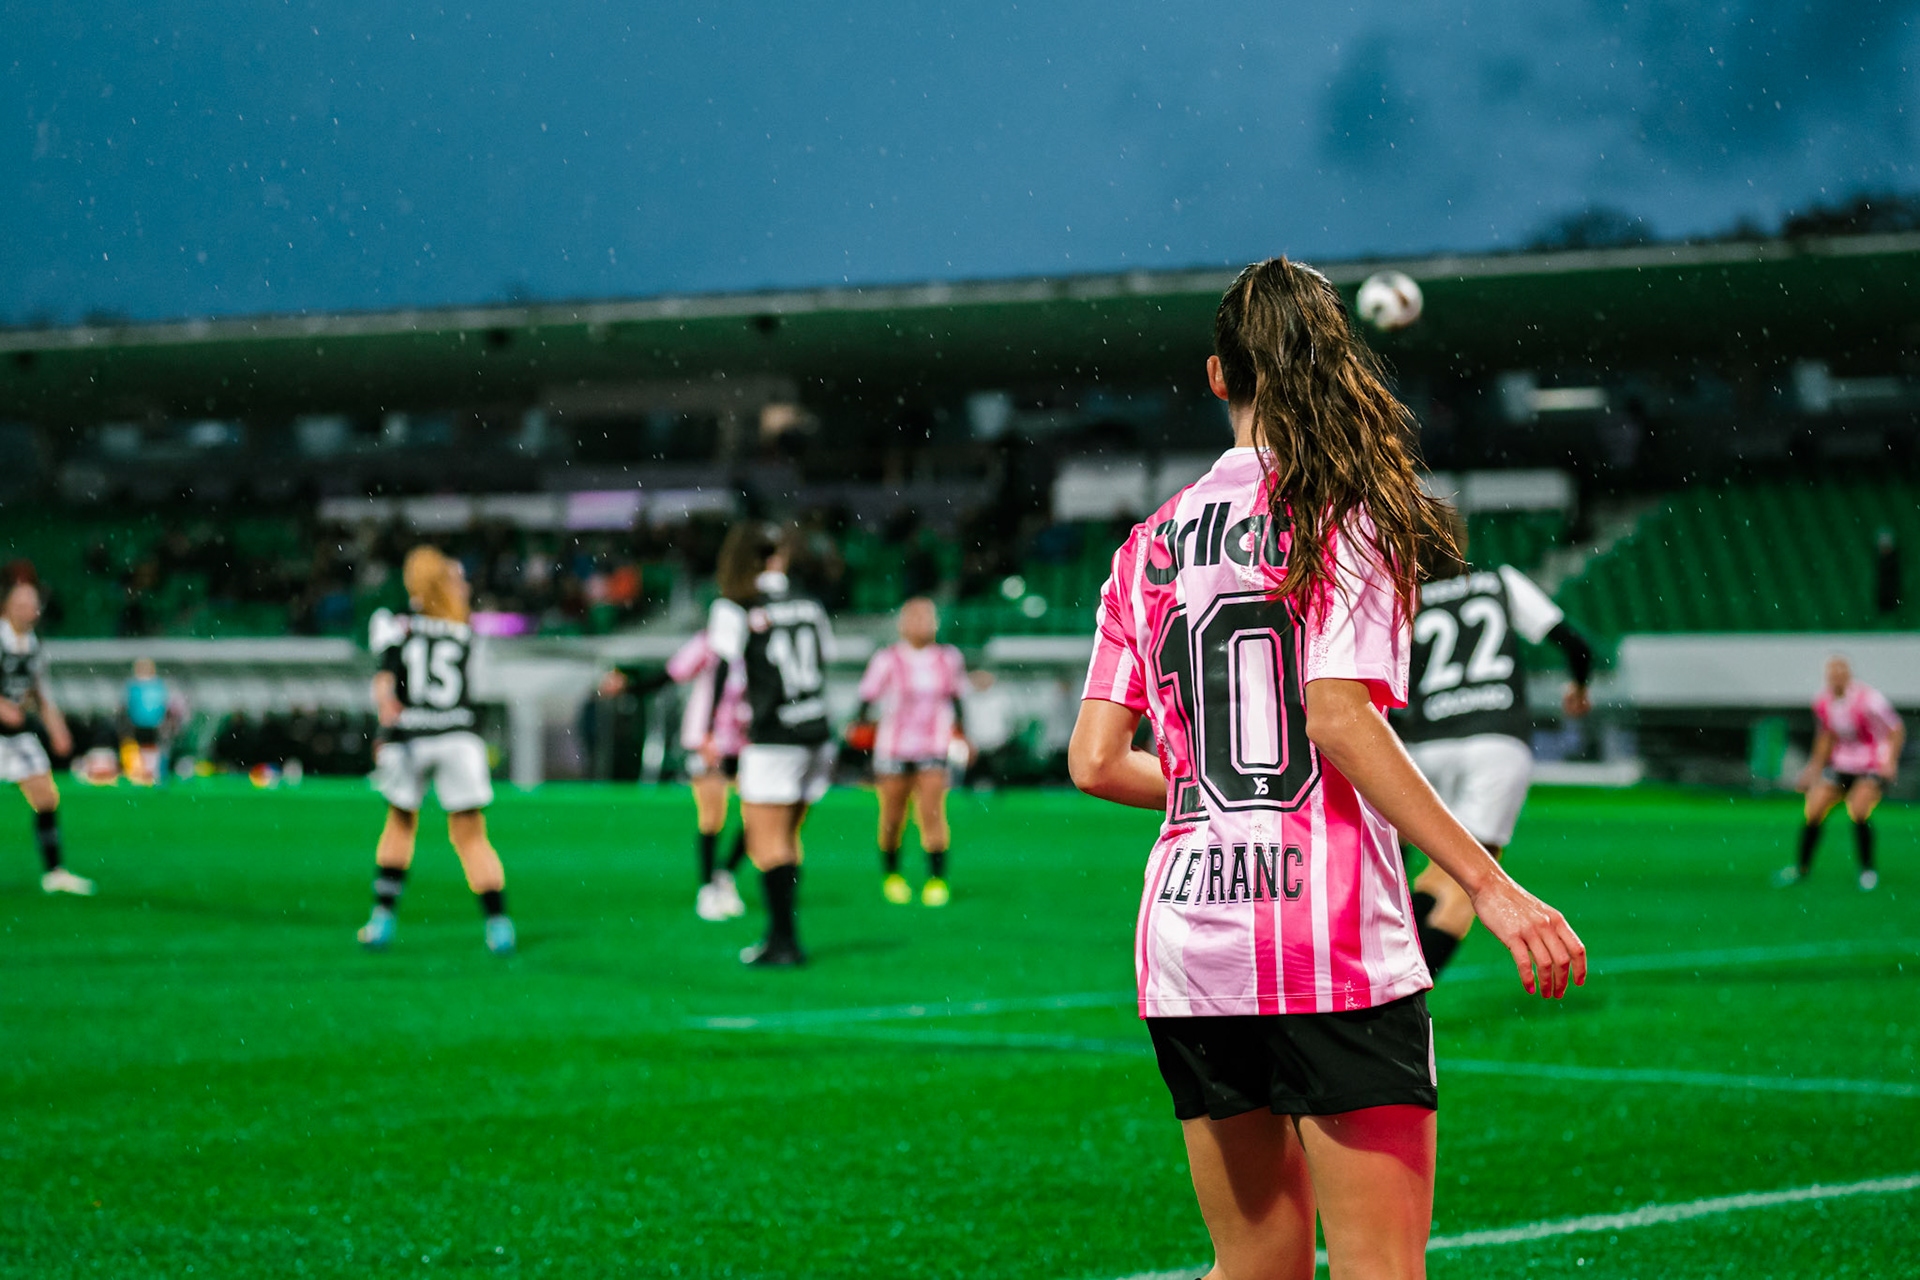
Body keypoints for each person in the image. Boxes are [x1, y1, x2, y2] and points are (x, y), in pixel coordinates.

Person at [1068, 258, 1586, 1280]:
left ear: (1221, 375)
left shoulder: (1146, 545)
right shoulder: (1348, 513)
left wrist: (1215, 789)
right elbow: (1339, 718)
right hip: (1330, 937)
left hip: (1189, 938)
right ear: (1333, 364)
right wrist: (1491, 884)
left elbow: (1093, 760)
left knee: (1254, 1265)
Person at [1395, 514, 1595, 977]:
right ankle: (1400, 999)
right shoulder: (1498, 582)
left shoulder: (1406, 598)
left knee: (1428, 876)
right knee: (1465, 888)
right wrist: (1578, 688)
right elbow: (1576, 643)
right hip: (1495, 742)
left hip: (1424, 748)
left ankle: (1379, 969)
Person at [357, 546, 515, 955]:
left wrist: (386, 716)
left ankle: (382, 919)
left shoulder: (394, 624)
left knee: (399, 825)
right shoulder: (464, 630)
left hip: (412, 736)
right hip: (459, 736)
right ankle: (498, 924)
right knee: (471, 837)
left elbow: (385, 683)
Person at [706, 524, 835, 967]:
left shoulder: (736, 605)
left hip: (774, 736)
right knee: (788, 838)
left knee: (765, 843)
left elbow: (721, 670)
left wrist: (708, 732)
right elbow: (823, 659)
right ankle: (782, 935)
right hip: (816, 732)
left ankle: (783, 941)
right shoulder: (808, 602)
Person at [850, 597, 969, 906]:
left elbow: (957, 699)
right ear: (902, 624)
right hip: (894, 749)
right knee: (892, 817)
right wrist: (858, 731)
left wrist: (964, 735)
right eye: (914, 618)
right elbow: (866, 698)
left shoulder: (948, 658)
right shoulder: (888, 659)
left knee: (932, 812)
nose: (921, 624)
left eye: (926, 618)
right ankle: (892, 875)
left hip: (932, 746)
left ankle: (936, 879)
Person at [1778, 654, 1904, 891]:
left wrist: (1890, 761)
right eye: (1832, 675)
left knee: (1858, 811)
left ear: (1848, 675)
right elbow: (1826, 736)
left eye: (1840, 673)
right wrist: (1813, 768)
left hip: (1870, 765)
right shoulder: (1823, 702)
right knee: (1814, 809)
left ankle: (1867, 870)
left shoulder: (1869, 699)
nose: (1836, 679)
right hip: (1841, 765)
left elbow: (1896, 728)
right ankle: (1801, 868)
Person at [0, 580, 92, 895]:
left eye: (33, 605)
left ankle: (55, 873)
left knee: (46, 797)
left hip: (14, 736)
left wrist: (58, 729)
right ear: (8, 607)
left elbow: (40, 693)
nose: (30, 611)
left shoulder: (34, 645)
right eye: (23, 604)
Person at [658, 629, 749, 920]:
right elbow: (674, 672)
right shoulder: (708, 642)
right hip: (709, 741)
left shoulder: (760, 640)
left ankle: (725, 875)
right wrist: (632, 686)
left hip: (747, 739)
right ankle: (708, 888)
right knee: (712, 816)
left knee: (758, 820)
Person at [121, 657, 179, 786]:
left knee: (154, 751)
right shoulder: (134, 686)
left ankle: (154, 775)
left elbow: (163, 705)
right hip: (138, 725)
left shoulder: (158, 686)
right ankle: (141, 775)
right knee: (139, 750)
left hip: (154, 725)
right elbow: (129, 705)